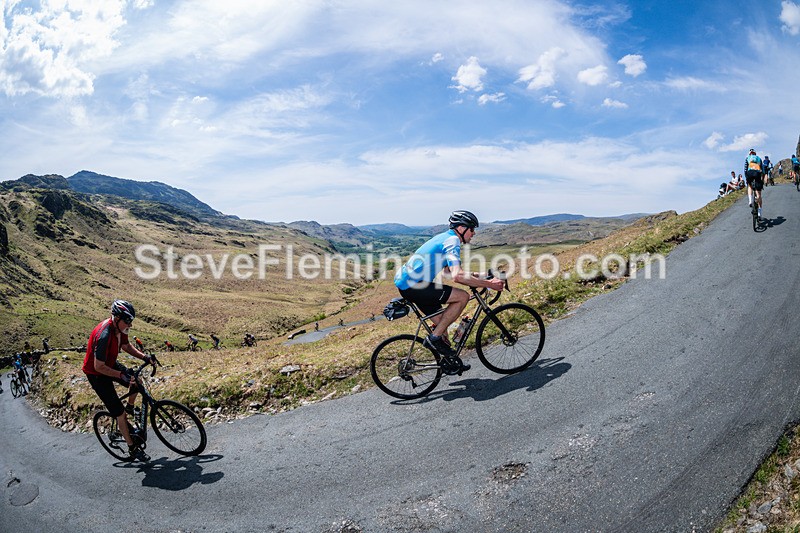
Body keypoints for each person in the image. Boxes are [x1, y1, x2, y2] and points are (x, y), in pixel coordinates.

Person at [393, 210, 505, 374]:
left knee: (442, 323)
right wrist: (489, 284)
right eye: (472, 229)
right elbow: (457, 276)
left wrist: (483, 276)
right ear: (462, 228)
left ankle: (449, 362)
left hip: (409, 283)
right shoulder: (452, 241)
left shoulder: (445, 237)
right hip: (413, 285)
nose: (473, 234)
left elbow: (447, 271)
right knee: (462, 297)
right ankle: (434, 339)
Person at [82, 300, 154, 461]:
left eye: (131, 320)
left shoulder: (121, 328)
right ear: (117, 318)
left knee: (137, 381)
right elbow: (99, 366)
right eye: (127, 320)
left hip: (109, 363)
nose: (130, 324)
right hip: (96, 373)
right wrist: (120, 375)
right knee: (119, 414)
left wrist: (145, 357)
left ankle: (130, 407)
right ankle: (132, 448)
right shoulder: (104, 335)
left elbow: (127, 346)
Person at [744, 148, 764, 219]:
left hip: (750, 173)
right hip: (758, 173)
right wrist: (762, 180)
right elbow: (763, 170)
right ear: (755, 153)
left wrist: (747, 178)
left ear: (750, 153)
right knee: (759, 194)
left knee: (750, 185)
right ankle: (760, 213)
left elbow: (745, 169)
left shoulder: (747, 158)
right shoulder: (759, 159)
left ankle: (750, 200)